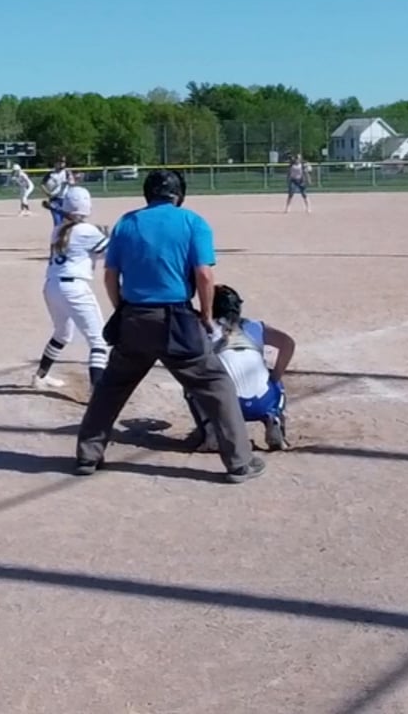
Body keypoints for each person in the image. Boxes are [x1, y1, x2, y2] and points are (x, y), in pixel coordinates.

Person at [73, 169, 265, 484]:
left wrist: (122, 309)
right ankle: (240, 462)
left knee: (111, 387)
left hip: (134, 317)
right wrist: (206, 314)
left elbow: (110, 276)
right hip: (177, 319)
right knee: (215, 384)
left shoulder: (127, 222)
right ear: (178, 194)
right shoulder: (192, 222)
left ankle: (88, 455)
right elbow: (204, 275)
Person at [181, 284, 297, 452]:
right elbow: (288, 343)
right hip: (261, 403)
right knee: (274, 377)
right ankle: (273, 416)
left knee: (191, 381)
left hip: (226, 406)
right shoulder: (255, 326)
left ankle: (210, 431)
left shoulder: (204, 328)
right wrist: (275, 376)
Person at [34, 186, 110, 390]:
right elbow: (109, 253)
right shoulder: (87, 231)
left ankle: (40, 376)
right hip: (74, 288)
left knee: (62, 334)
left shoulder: (58, 230)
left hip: (52, 286)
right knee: (98, 340)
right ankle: (97, 394)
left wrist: (100, 236)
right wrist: (106, 236)